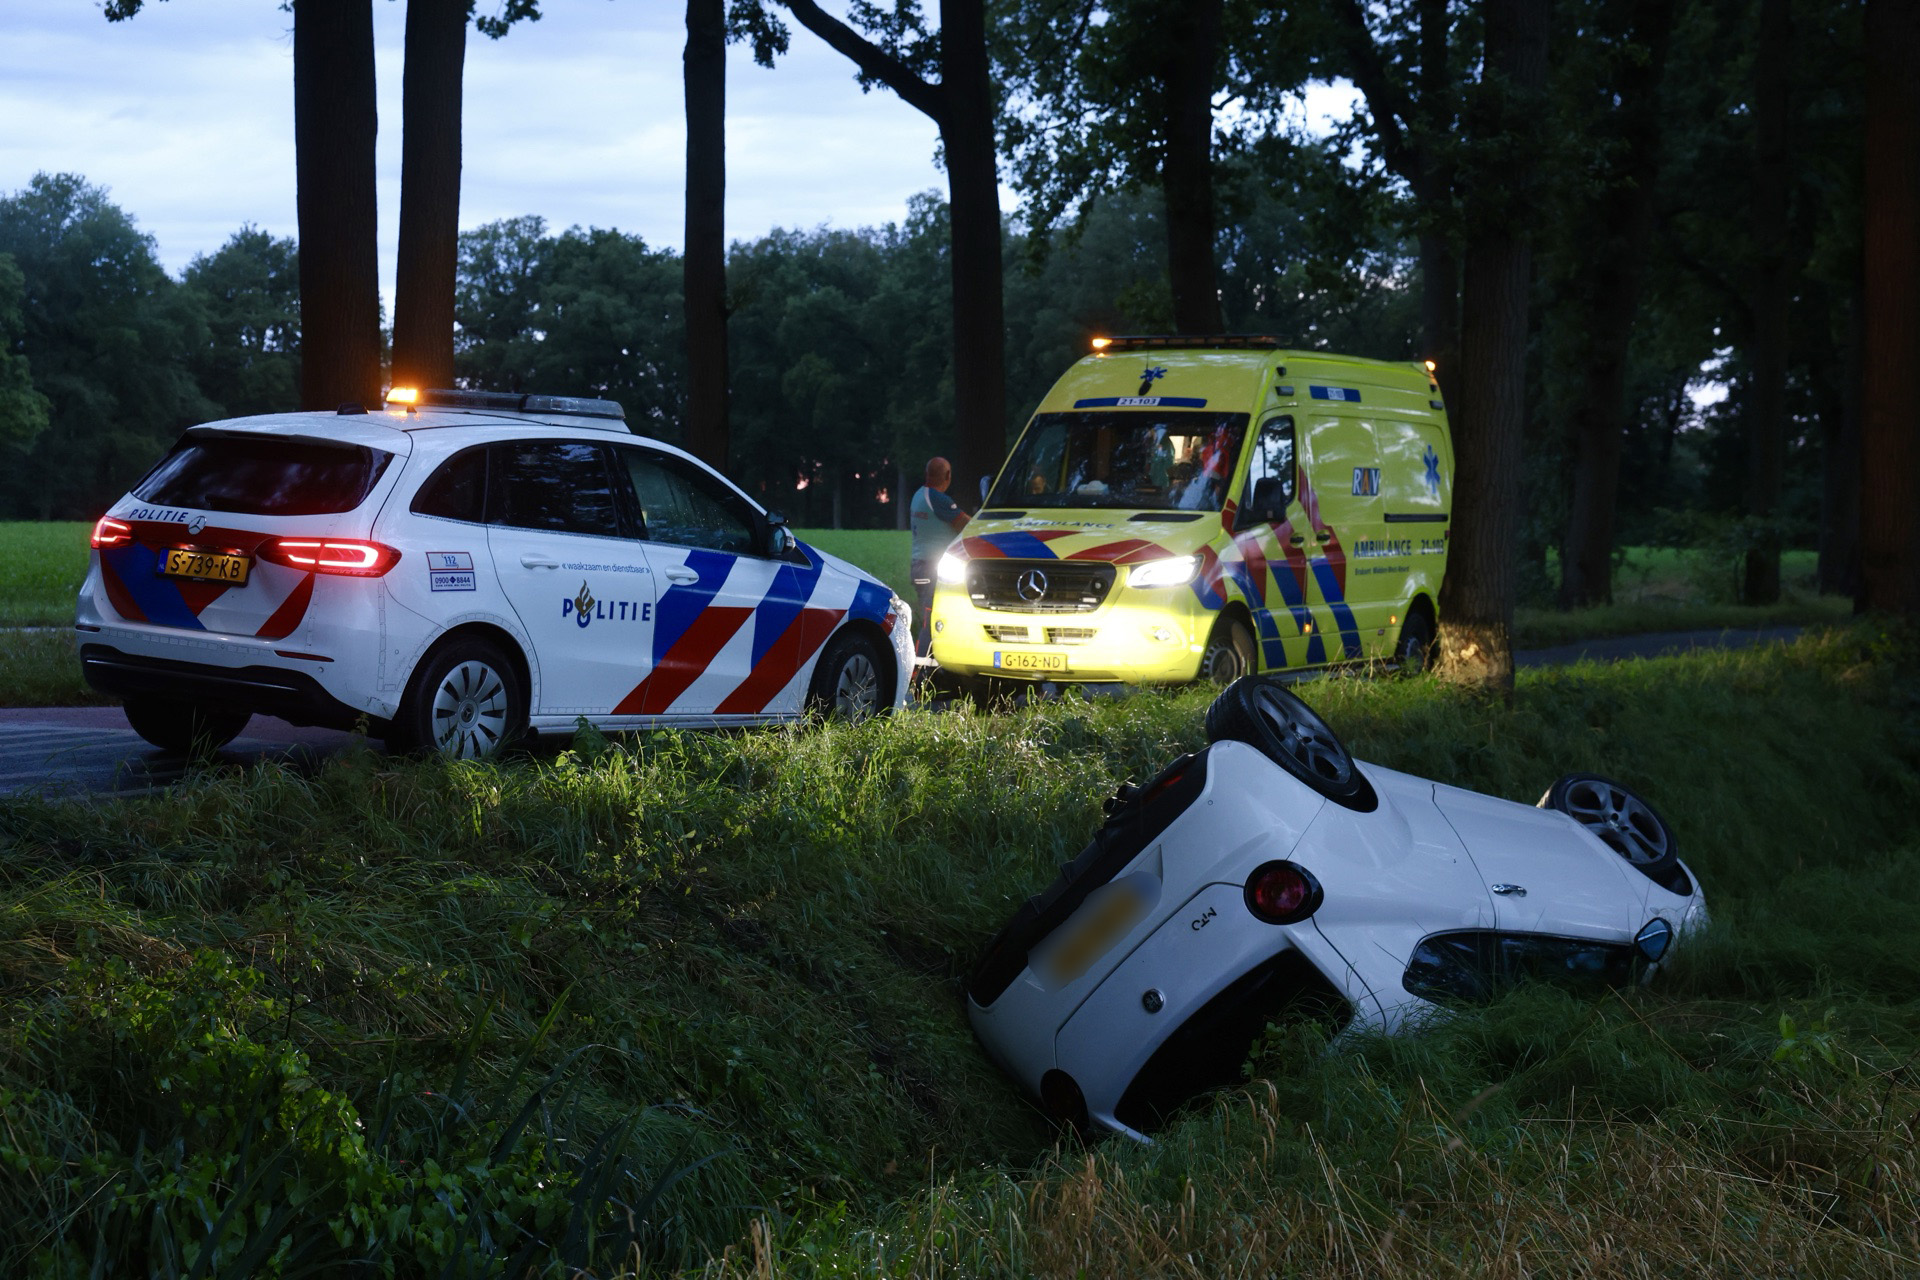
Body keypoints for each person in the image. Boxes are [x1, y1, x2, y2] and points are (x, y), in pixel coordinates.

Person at [909, 456, 970, 658]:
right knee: (930, 619)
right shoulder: (937, 499)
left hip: (918, 565)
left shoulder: (918, 495)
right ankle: (921, 670)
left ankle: (930, 664)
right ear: (947, 476)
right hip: (932, 568)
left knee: (930, 617)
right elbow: (965, 525)